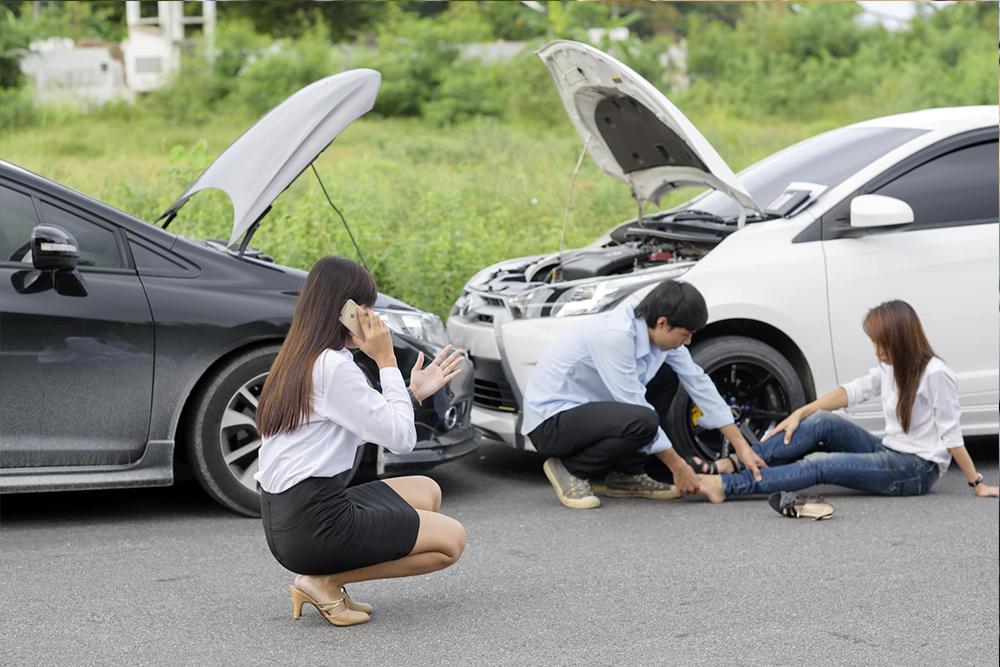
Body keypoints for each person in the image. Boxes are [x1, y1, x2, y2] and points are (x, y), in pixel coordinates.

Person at [254, 257, 467, 627]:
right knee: (452, 540)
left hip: (292, 513)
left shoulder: (304, 356)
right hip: (313, 524)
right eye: (364, 307)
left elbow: (370, 418)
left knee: (426, 491)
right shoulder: (335, 367)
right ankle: (324, 580)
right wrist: (386, 361)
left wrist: (412, 392)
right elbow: (401, 440)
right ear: (342, 310)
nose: (372, 317)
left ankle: (322, 577)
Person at [696, 300, 999, 512]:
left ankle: (726, 485)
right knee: (822, 422)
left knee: (819, 465)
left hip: (916, 470)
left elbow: (951, 435)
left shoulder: (935, 374)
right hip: (889, 450)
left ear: (902, 340)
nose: (877, 350)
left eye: (882, 343)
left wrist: (978, 483)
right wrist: (800, 413)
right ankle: (733, 463)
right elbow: (853, 391)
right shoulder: (893, 366)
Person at [521, 279, 766, 510]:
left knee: (667, 377)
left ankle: (627, 475)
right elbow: (633, 402)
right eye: (685, 334)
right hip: (551, 422)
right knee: (643, 420)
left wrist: (741, 447)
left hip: (589, 414)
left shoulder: (659, 338)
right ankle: (570, 469)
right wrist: (678, 467)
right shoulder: (614, 336)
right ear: (662, 323)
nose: (689, 341)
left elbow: (698, 382)